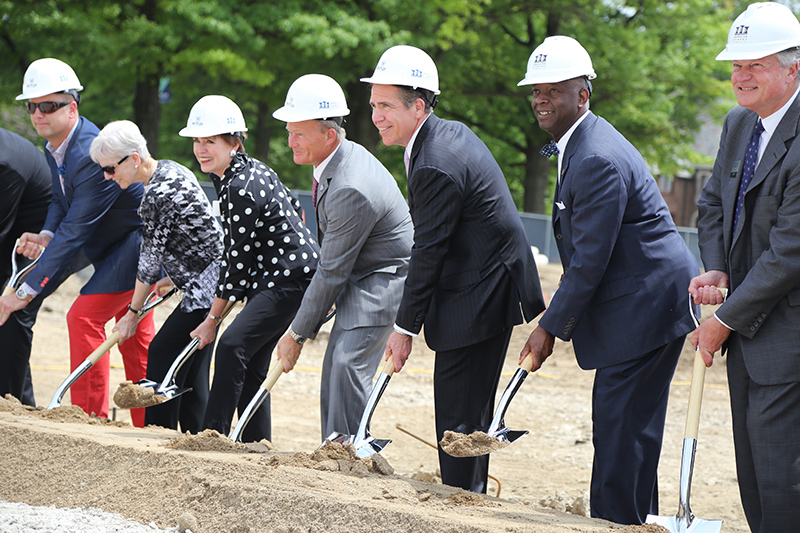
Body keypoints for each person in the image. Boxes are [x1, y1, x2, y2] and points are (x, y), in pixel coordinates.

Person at [515, 36, 700, 525]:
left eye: (555, 90)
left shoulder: (594, 156)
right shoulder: (580, 144)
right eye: (536, 90)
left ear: (584, 95)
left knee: (620, 427)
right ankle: (636, 519)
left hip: (645, 305)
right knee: (630, 428)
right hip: (645, 299)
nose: (541, 99)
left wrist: (549, 327)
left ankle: (617, 522)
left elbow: (590, 261)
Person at [361, 45, 546, 493]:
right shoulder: (442, 137)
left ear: (418, 105)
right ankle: (470, 494)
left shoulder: (435, 162)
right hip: (487, 281)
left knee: (458, 421)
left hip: (481, 292)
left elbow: (429, 249)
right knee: (468, 414)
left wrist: (404, 329)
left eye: (387, 105)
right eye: (373, 105)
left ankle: (464, 503)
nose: (377, 116)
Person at [690, 3, 800, 531]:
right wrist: (717, 269)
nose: (740, 76)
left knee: (784, 483)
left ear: (792, 68)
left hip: (789, 339)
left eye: (754, 65)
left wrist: (722, 320)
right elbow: (713, 204)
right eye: (735, 66)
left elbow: (789, 252)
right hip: (747, 334)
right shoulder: (739, 124)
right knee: (754, 475)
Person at [0, 58, 153, 426]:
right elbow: (60, 202)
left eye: (49, 105)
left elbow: (76, 231)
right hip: (115, 244)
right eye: (32, 106)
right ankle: (152, 424)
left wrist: (25, 290)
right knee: (134, 337)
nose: (38, 114)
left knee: (83, 317)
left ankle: (89, 421)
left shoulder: (86, 150)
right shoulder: (57, 145)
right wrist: (46, 234)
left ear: (73, 107)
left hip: (137, 243)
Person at [272, 75, 413, 441]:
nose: (290, 142)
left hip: (381, 282)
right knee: (337, 366)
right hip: (361, 276)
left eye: (299, 134)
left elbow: (331, 271)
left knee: (347, 365)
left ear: (328, 135)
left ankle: (351, 456)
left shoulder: (350, 185)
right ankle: (336, 448)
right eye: (289, 132)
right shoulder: (338, 161)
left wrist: (296, 334)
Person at [182, 95, 319, 442]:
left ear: (234, 143)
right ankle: (257, 444)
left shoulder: (239, 186)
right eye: (198, 141)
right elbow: (293, 206)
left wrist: (212, 320)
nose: (201, 149)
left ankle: (211, 436)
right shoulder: (245, 170)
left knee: (231, 346)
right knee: (253, 363)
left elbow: (236, 262)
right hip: (284, 278)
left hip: (289, 280)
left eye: (210, 141)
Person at [90, 120, 224, 433]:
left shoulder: (157, 195)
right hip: (211, 283)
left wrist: (132, 314)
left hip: (205, 290)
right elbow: (199, 237)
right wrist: (177, 277)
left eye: (110, 169)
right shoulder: (171, 170)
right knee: (191, 368)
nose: (107, 176)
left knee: (162, 352)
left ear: (134, 158)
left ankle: (156, 436)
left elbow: (149, 263)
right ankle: (199, 437)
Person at [0, 127, 53, 406]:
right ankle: (24, 401)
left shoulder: (4, 164)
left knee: (12, 312)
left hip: (38, 240)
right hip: (13, 235)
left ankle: (9, 405)